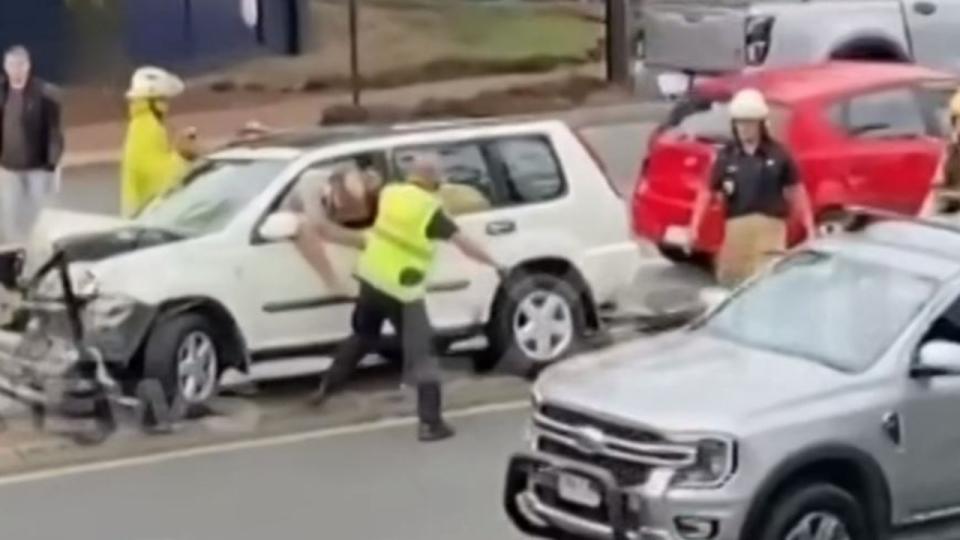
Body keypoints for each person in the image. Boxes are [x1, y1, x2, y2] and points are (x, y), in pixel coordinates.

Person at [301, 154, 506, 442]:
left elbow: (359, 211)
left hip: (371, 277)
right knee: (423, 353)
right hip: (402, 288)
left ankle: (325, 388)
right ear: (434, 179)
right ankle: (430, 424)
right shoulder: (430, 210)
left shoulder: (390, 193)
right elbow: (465, 244)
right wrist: (495, 264)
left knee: (363, 334)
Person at [687, 88, 815, 288]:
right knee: (734, 283)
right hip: (737, 229)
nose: (744, 128)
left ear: (760, 124)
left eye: (749, 123)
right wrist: (694, 227)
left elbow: (796, 192)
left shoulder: (779, 155)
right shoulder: (726, 157)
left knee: (766, 283)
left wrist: (809, 228)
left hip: (771, 229)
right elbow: (706, 192)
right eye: (740, 123)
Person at [0, 45, 63, 245]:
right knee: (10, 218)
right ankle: (16, 256)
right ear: (5, 67)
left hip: (38, 168)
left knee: (42, 216)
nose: (16, 70)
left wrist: (51, 164)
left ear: (28, 66)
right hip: (9, 168)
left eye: (20, 65)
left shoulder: (45, 93)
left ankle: (41, 251)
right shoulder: (2, 92)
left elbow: (54, 131)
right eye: (11, 65)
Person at [121, 66, 198, 218]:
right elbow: (158, 181)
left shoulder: (143, 124)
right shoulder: (147, 127)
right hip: (144, 218)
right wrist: (182, 156)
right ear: (151, 102)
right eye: (162, 100)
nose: (166, 106)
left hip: (141, 216)